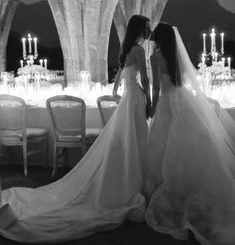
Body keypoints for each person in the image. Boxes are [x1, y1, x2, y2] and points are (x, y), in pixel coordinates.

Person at [0, 15, 151, 243]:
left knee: (125, 143)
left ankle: (122, 182)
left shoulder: (125, 52)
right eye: (147, 27)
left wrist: (126, 98)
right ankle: (135, 185)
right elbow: (147, 80)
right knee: (138, 141)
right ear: (141, 29)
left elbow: (114, 93)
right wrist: (147, 99)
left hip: (128, 102)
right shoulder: (139, 50)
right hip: (137, 100)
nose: (150, 30)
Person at [144, 22, 235, 245]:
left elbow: (156, 87)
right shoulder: (176, 56)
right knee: (187, 146)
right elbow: (184, 82)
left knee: (164, 145)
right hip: (183, 101)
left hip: (166, 103)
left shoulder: (155, 58)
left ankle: (170, 193)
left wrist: (152, 107)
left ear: (158, 39)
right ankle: (188, 189)